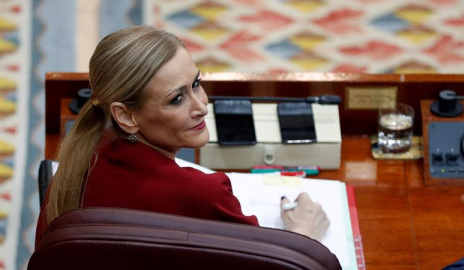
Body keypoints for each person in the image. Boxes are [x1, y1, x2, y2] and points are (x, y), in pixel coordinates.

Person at [35, 25, 330, 247]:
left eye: (196, 83)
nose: (202, 106)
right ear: (126, 116)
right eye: (177, 99)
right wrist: (303, 235)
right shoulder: (202, 192)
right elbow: (276, 264)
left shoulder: (75, 165)